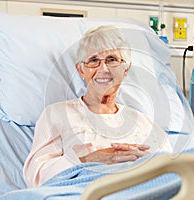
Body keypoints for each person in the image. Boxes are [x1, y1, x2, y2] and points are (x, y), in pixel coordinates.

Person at [23, 25, 173, 188]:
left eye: (112, 60)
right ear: (81, 70)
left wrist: (148, 161)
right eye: (94, 61)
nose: (104, 69)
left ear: (126, 69)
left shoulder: (143, 122)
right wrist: (87, 160)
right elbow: (35, 176)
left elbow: (174, 173)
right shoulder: (56, 114)